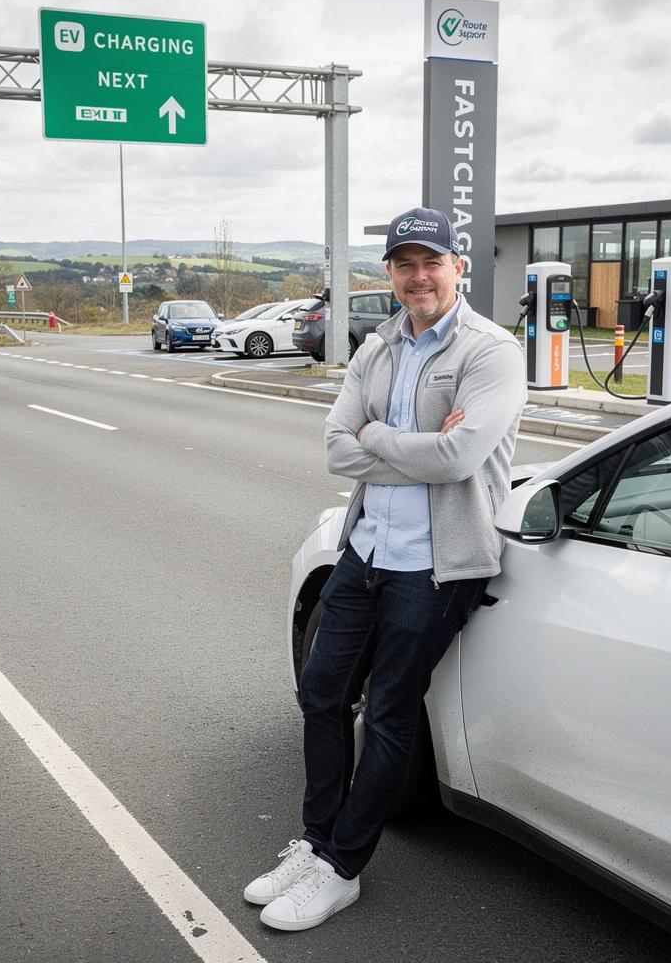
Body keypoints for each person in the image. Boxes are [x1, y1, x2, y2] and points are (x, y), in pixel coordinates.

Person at [244, 206, 527, 931]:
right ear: (391, 273)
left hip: (437, 565)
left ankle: (342, 868)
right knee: (321, 695)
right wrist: (408, 442)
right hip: (365, 550)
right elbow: (336, 448)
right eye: (405, 264)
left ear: (458, 267)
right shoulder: (378, 346)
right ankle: (315, 843)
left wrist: (378, 435)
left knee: (391, 713)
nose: (418, 276)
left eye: (432, 262)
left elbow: (458, 459)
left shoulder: (491, 352)